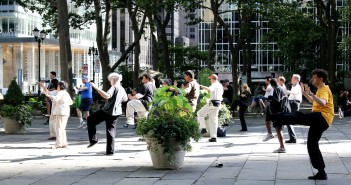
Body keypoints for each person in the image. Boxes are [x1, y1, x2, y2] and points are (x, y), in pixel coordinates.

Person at [266, 69, 333, 180]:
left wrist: (311, 93)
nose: (312, 79)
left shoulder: (324, 89)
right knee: (312, 144)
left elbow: (323, 102)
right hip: (322, 120)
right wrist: (306, 94)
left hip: (322, 117)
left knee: (298, 116)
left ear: (321, 78)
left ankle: (274, 117)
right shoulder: (320, 89)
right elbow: (314, 102)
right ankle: (321, 172)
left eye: (314, 77)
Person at [87, 73, 128, 155]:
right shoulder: (122, 89)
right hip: (117, 112)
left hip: (108, 111)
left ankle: (94, 140)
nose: (109, 81)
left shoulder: (114, 87)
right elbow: (125, 99)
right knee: (111, 131)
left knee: (90, 119)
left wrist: (95, 87)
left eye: (110, 80)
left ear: (114, 79)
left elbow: (107, 96)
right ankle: (110, 151)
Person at [273, 74, 302, 153]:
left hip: (294, 103)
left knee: (287, 119)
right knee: (288, 120)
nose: (291, 79)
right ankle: (292, 137)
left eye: (292, 78)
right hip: (292, 102)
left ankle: (284, 133)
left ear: (296, 79)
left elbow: (295, 93)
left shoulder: (297, 86)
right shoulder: (294, 85)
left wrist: (289, 92)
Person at [45, 81, 73, 149]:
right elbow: (71, 102)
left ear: (60, 86)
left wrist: (49, 96)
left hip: (61, 112)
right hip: (66, 111)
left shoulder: (60, 92)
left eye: (58, 86)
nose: (57, 87)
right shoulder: (66, 93)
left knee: (59, 128)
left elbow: (56, 99)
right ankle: (64, 143)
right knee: (63, 128)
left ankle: (58, 144)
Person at [197, 74, 224, 142]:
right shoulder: (220, 85)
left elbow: (210, 89)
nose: (210, 80)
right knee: (213, 120)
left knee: (200, 113)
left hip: (213, 102)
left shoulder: (214, 84)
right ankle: (213, 137)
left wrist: (200, 86)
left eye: (210, 79)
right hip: (218, 103)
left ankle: (203, 128)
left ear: (213, 79)